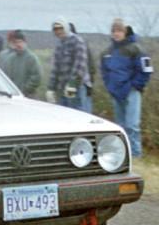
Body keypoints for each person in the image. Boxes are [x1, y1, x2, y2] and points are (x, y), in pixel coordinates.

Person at [100, 18, 153, 158]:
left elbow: (146, 70)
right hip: (116, 93)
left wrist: (135, 86)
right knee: (120, 127)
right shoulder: (107, 52)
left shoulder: (136, 49)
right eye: (114, 31)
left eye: (119, 30)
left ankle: (136, 154)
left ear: (125, 32)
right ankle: (123, 155)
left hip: (131, 92)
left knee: (132, 125)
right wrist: (109, 86)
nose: (116, 34)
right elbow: (105, 72)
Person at [45, 17, 92, 113]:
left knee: (78, 114)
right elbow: (55, 68)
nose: (58, 31)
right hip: (62, 87)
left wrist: (72, 84)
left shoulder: (77, 41)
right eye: (56, 29)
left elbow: (80, 64)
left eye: (60, 28)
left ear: (66, 28)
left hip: (77, 86)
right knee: (64, 115)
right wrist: (51, 88)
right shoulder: (59, 45)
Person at [0, 29, 42, 98]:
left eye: (20, 42)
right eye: (16, 42)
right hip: (14, 96)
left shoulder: (31, 58)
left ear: (25, 42)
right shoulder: (11, 58)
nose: (18, 44)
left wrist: (26, 90)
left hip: (29, 96)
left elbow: (37, 77)